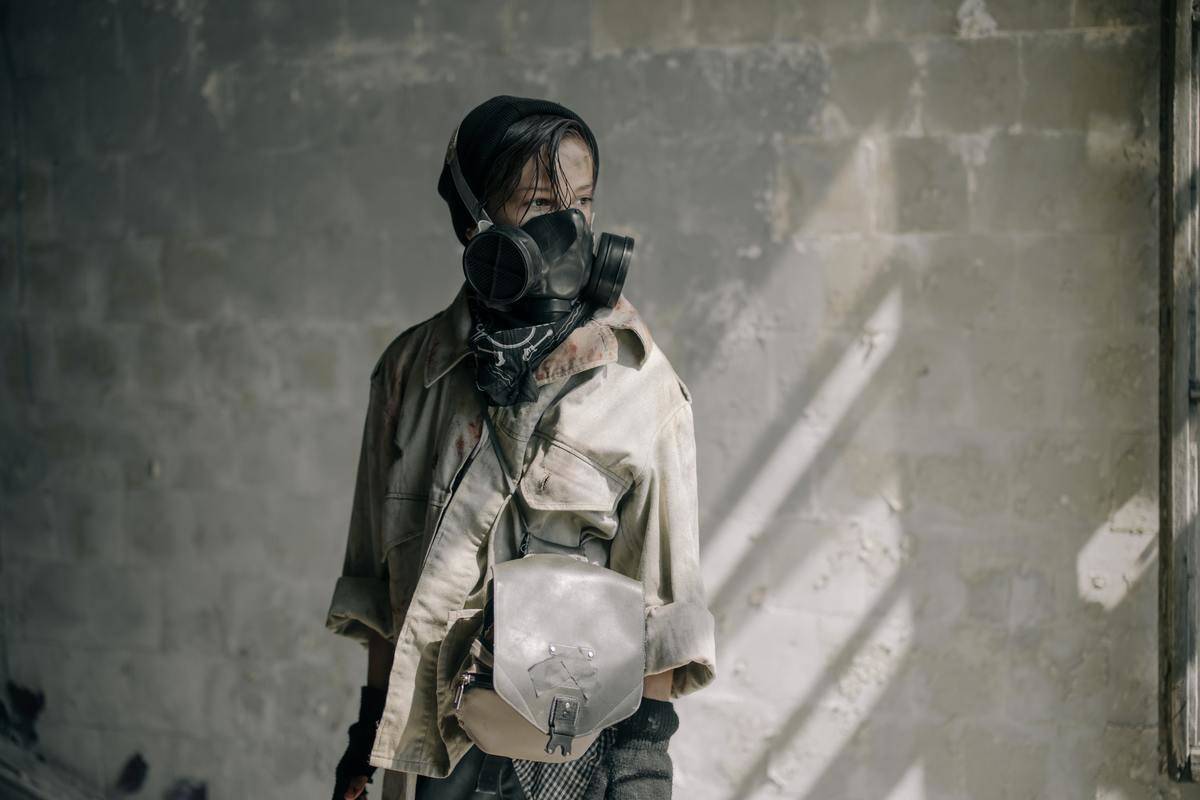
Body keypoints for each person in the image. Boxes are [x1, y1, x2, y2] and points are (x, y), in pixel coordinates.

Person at [326, 95, 717, 800]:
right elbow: (380, 585)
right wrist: (366, 732)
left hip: (573, 759)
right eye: (537, 203)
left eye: (582, 202)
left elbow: (663, 604)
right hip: (432, 754)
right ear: (474, 224)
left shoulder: (638, 384)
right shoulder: (410, 374)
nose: (568, 227)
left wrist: (643, 769)